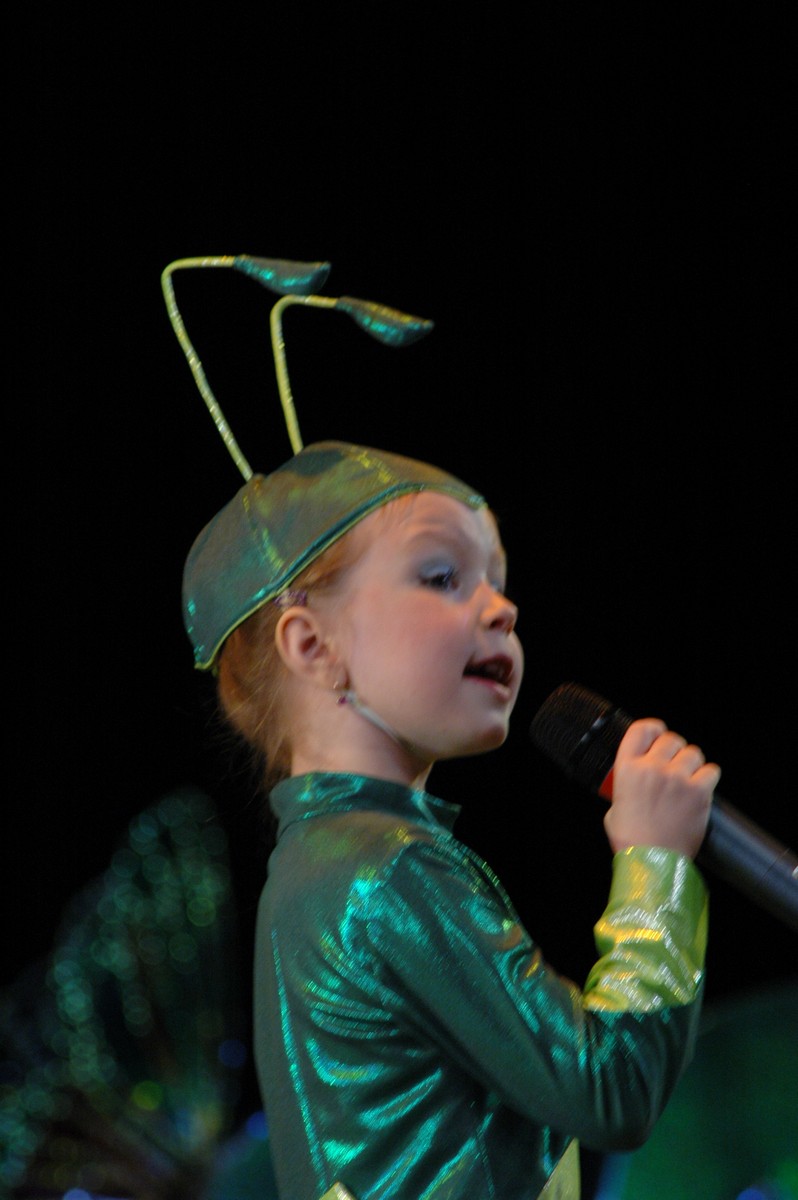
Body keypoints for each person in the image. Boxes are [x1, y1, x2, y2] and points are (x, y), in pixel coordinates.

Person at [182, 439, 720, 1200]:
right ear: (312, 645)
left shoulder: (328, 863)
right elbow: (611, 1088)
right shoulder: (383, 871)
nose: (503, 608)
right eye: (441, 577)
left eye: (497, 582)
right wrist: (656, 865)